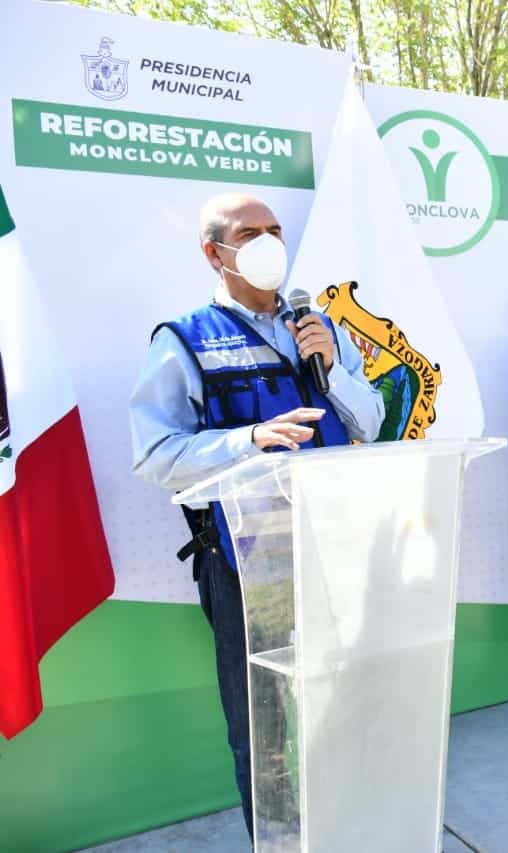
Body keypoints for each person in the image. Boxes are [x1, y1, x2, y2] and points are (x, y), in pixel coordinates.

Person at [128, 193, 385, 838]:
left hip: (335, 539)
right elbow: (155, 455)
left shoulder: (316, 327)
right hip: (250, 555)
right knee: (262, 719)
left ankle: (344, 828)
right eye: (251, 232)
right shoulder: (183, 340)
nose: (270, 241)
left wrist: (330, 368)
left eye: (275, 230)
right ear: (215, 252)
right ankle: (281, 839)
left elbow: (372, 423)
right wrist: (251, 439)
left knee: (341, 697)